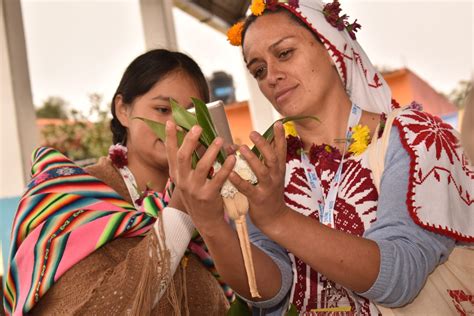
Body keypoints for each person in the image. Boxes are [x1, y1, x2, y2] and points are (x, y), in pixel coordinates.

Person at [165, 0, 474, 315]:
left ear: (331, 46)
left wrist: (277, 219)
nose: (271, 76)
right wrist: (211, 223)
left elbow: (399, 277)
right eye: (259, 70)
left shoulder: (415, 138)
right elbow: (270, 292)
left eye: (284, 53)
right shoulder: (269, 167)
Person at [3, 49, 230, 315]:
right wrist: (179, 209)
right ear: (122, 110)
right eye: (163, 109)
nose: (176, 125)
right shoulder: (72, 197)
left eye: (190, 113)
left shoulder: (212, 201)